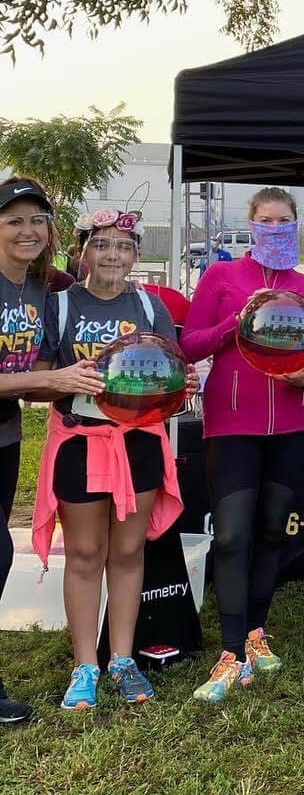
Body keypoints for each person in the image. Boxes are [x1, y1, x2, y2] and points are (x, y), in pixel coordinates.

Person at [32, 210, 196, 711]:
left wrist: (183, 388)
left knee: (127, 553)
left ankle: (122, 660)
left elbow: (174, 375)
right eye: (101, 245)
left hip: (140, 442)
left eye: (123, 247)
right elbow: (38, 381)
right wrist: (67, 379)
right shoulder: (58, 305)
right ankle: (86, 665)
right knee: (84, 554)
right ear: (82, 251)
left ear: (136, 255)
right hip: (81, 442)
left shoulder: (150, 306)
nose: (113, 256)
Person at [180, 187, 304, 701]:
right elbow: (190, 343)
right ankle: (228, 652)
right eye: (265, 221)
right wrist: (236, 320)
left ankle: (255, 634)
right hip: (232, 424)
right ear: (251, 226)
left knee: (271, 533)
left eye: (284, 221)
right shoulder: (222, 277)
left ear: (295, 225)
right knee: (231, 537)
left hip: (294, 424)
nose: (275, 229)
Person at [0, 178, 100, 725]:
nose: (27, 230)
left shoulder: (42, 285)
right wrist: (57, 377)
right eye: (14, 220)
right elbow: (37, 376)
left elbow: (103, 294)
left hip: (6, 436)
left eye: (36, 220)